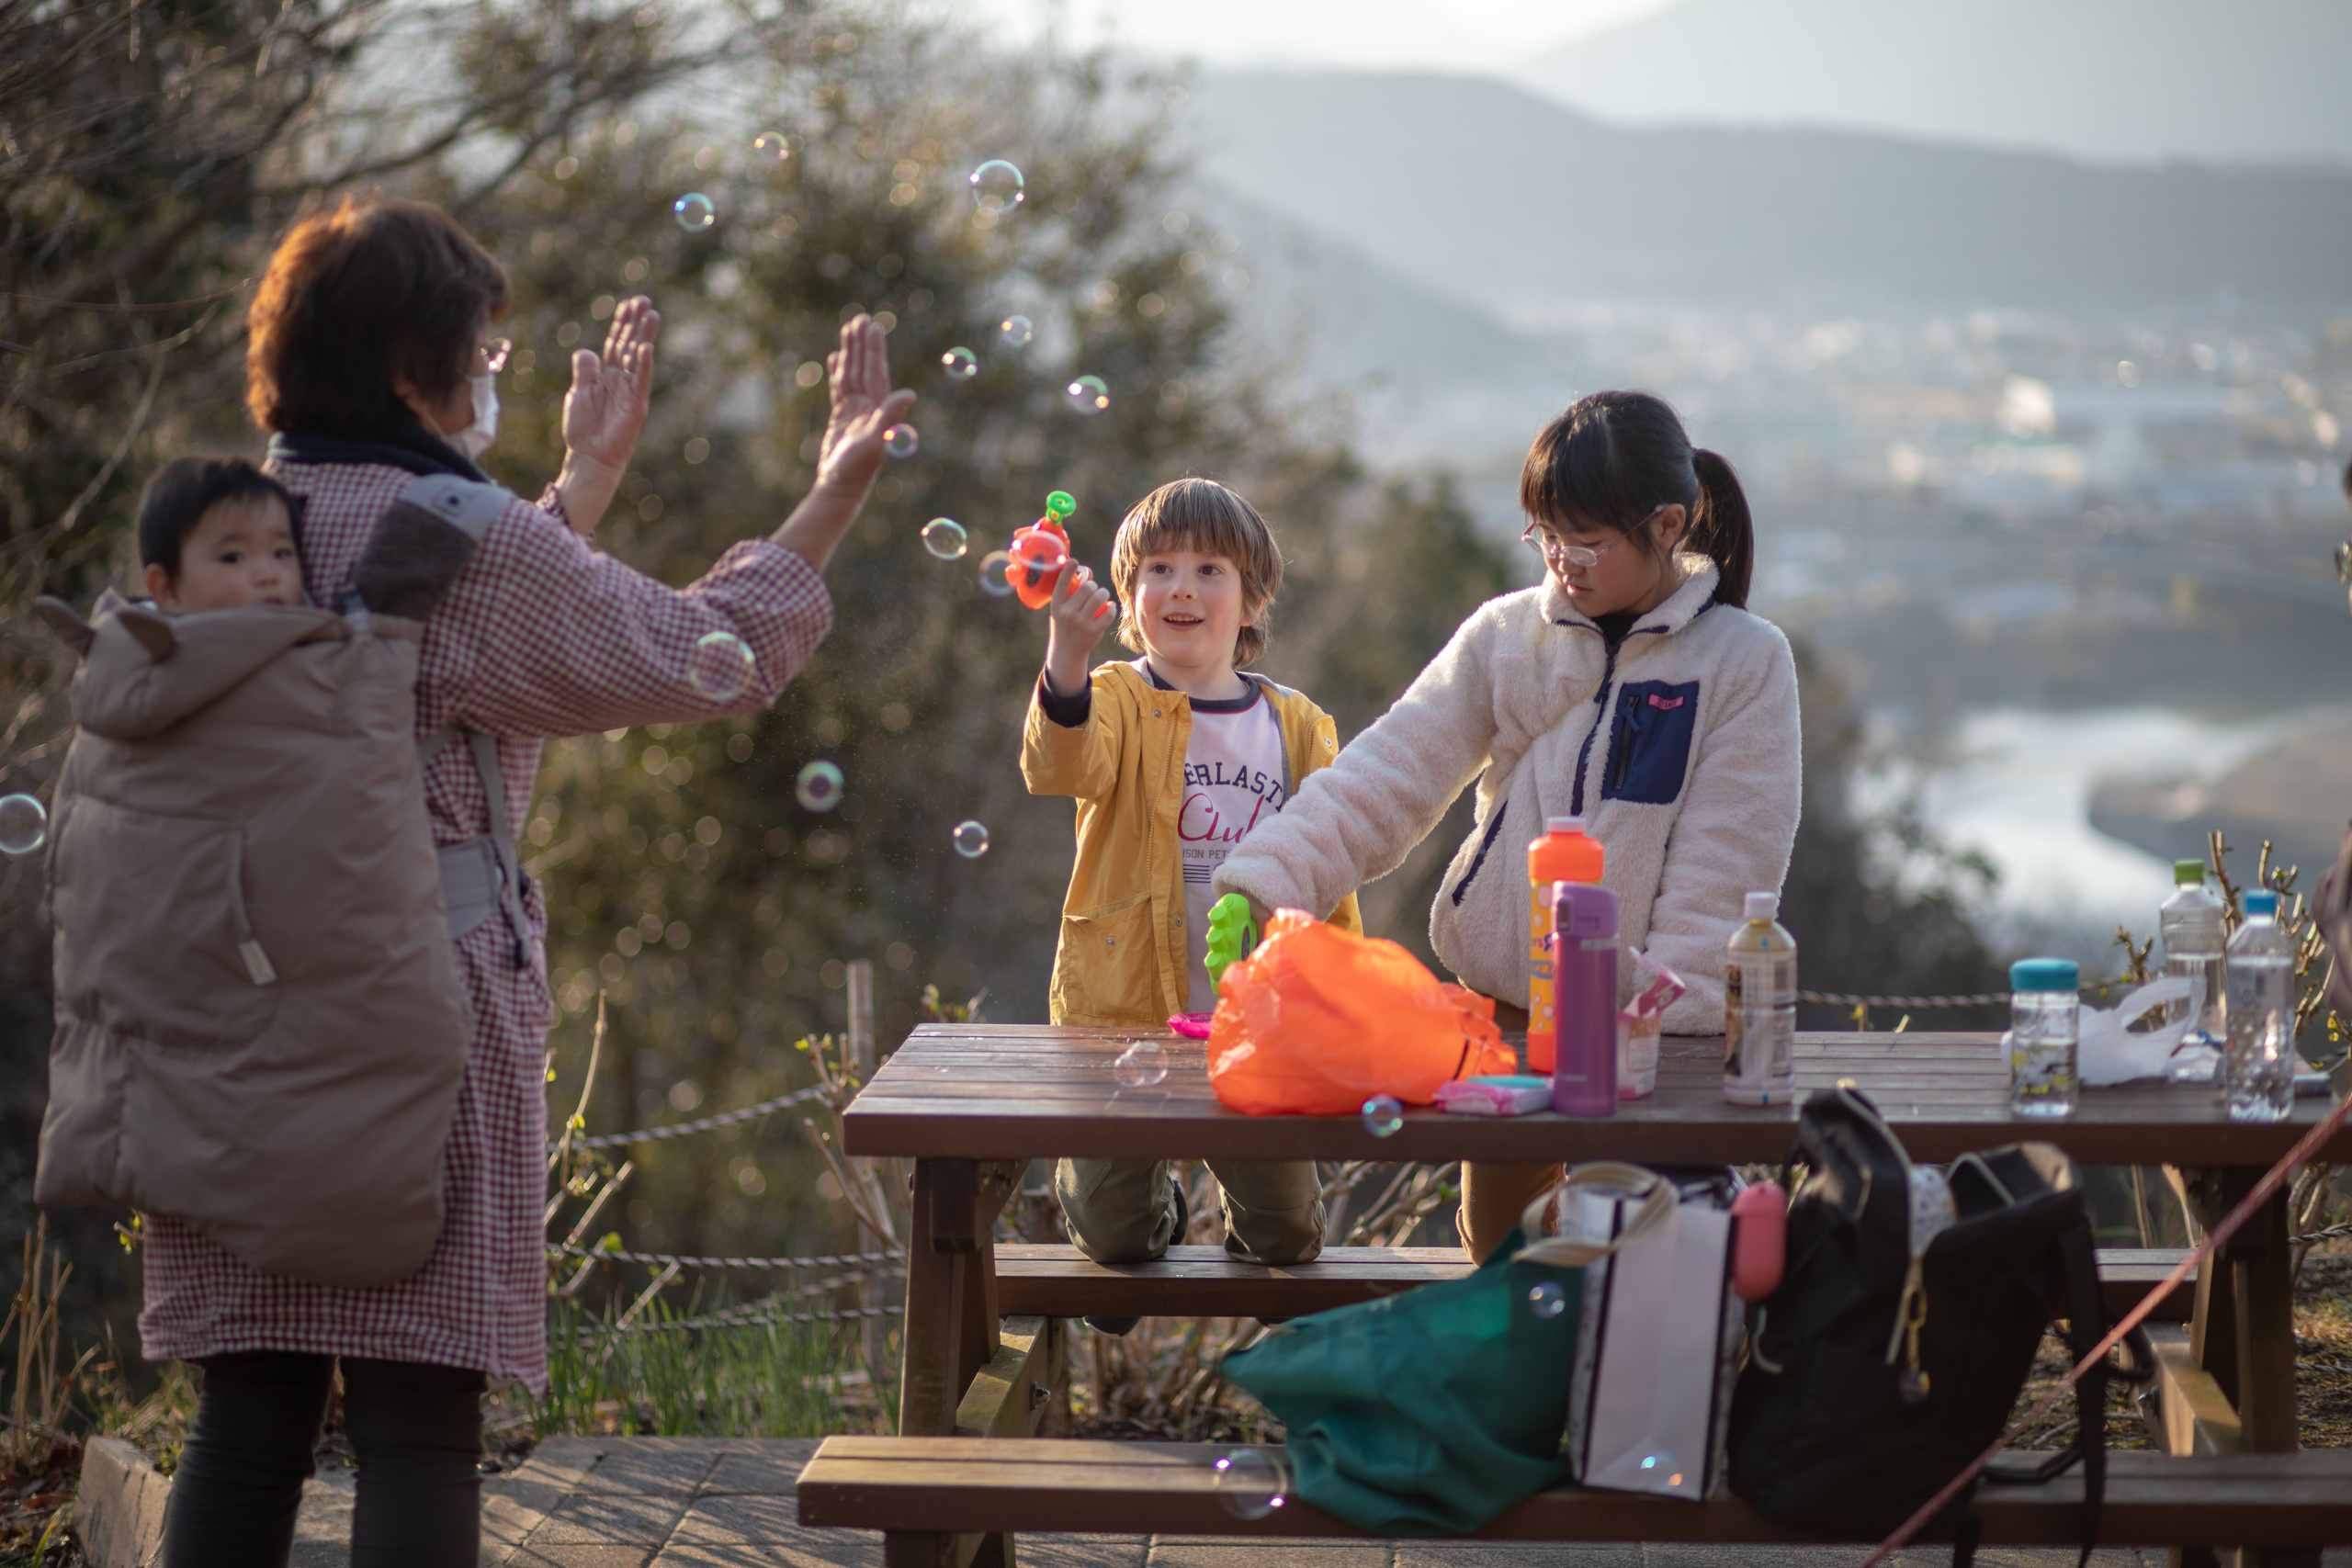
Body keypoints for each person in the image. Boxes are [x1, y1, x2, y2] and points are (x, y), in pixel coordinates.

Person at [141, 195, 910, 1568]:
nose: (492, 371)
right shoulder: (473, 536)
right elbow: (708, 652)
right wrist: (834, 490)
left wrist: (581, 487)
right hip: (413, 1026)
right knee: (419, 1418)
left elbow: (431, 655)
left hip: (221, 1013)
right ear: (408, 365)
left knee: (247, 1414)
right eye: (481, 348)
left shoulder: (223, 524)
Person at [1213, 391, 1803, 1263]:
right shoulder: (1504, 635)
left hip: (1648, 1033)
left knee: (1638, 1261)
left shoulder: (1743, 660)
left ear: (1668, 524)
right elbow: (1386, 775)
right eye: (1545, 536)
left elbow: (1726, 861)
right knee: (1501, 1256)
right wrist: (1267, 879)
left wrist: (1665, 1017)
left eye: (1585, 542)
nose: (1561, 561)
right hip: (1508, 1013)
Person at [1022, 478, 1362, 1314]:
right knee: (1115, 1241)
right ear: (1130, 596)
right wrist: (1066, 652)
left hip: (1257, 1026)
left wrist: (1340, 997)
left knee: (1287, 1239)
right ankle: (1160, 1211)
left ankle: (1249, 1236)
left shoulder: (1297, 723)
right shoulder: (1116, 696)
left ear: (1254, 599)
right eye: (1160, 569)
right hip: (1122, 1012)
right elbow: (1060, 764)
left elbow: (1333, 868)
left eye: (1211, 569)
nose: (1182, 587)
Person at [135, 457, 303, 612]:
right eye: (233, 558)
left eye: (281, 553)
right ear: (167, 590)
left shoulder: (313, 627)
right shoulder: (139, 634)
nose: (269, 575)